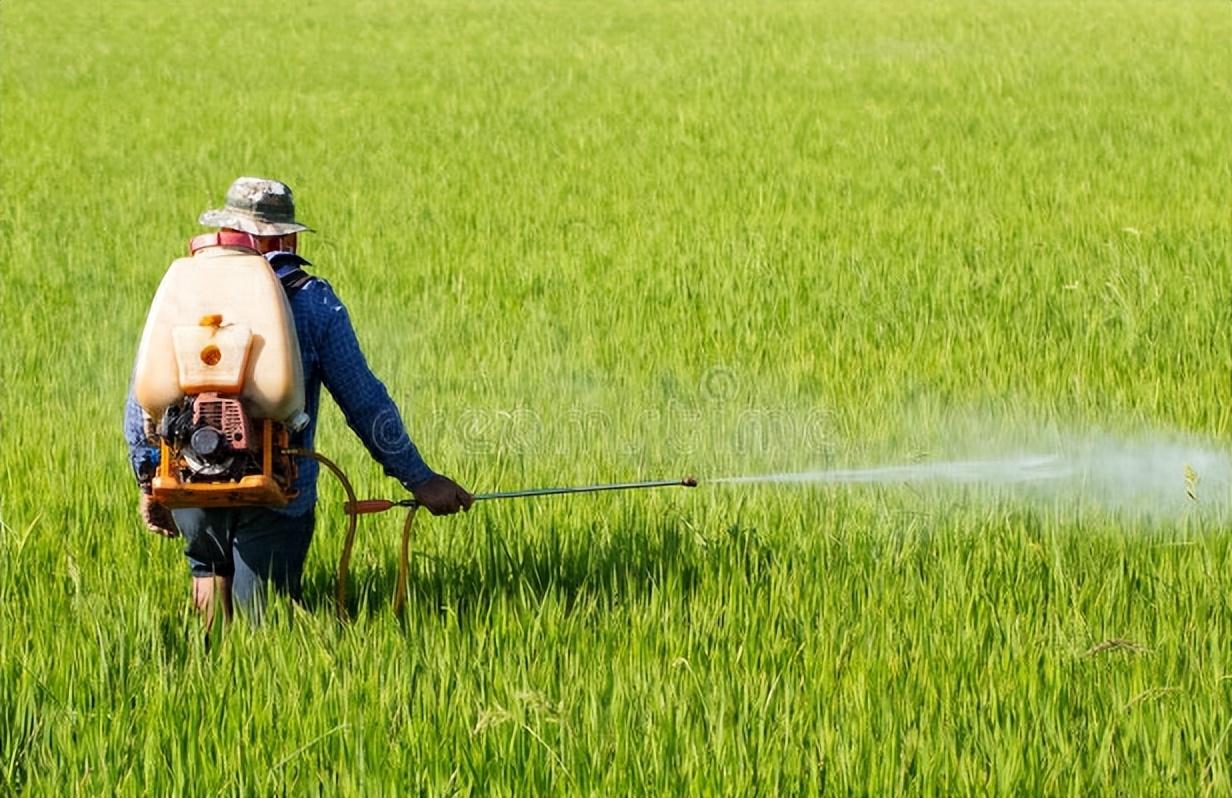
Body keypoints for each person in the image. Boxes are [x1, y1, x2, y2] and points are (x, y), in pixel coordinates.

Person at [124, 176, 472, 621]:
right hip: (279, 490)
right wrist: (419, 478)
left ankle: (207, 671)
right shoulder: (312, 301)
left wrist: (148, 482)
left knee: (208, 574)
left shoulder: (186, 293)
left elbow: (141, 401)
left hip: (191, 480)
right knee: (264, 625)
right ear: (285, 237)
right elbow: (365, 403)